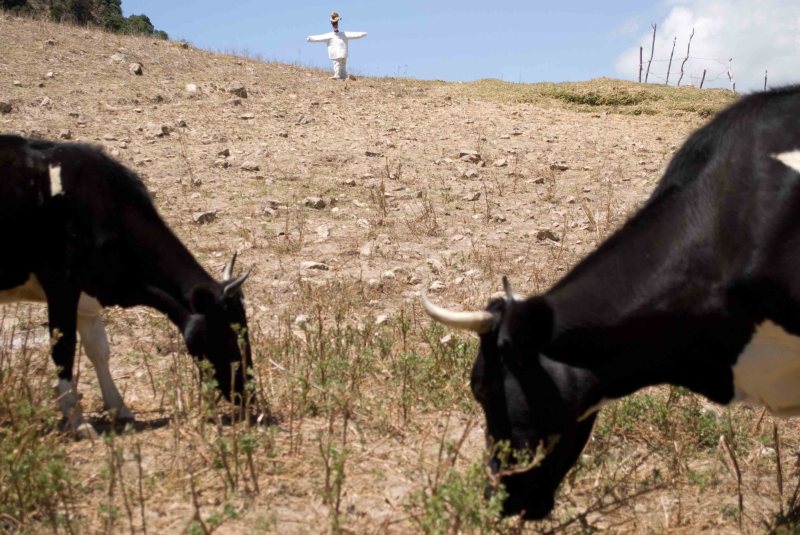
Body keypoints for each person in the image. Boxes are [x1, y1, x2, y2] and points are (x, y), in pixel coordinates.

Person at [307, 12, 367, 80]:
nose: (335, 25)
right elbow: (319, 37)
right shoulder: (330, 35)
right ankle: (338, 76)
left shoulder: (343, 34)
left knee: (343, 69)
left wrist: (362, 34)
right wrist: (310, 38)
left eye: (336, 23)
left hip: (343, 54)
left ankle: (344, 76)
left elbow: (353, 35)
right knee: (337, 66)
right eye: (334, 24)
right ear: (332, 24)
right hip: (335, 55)